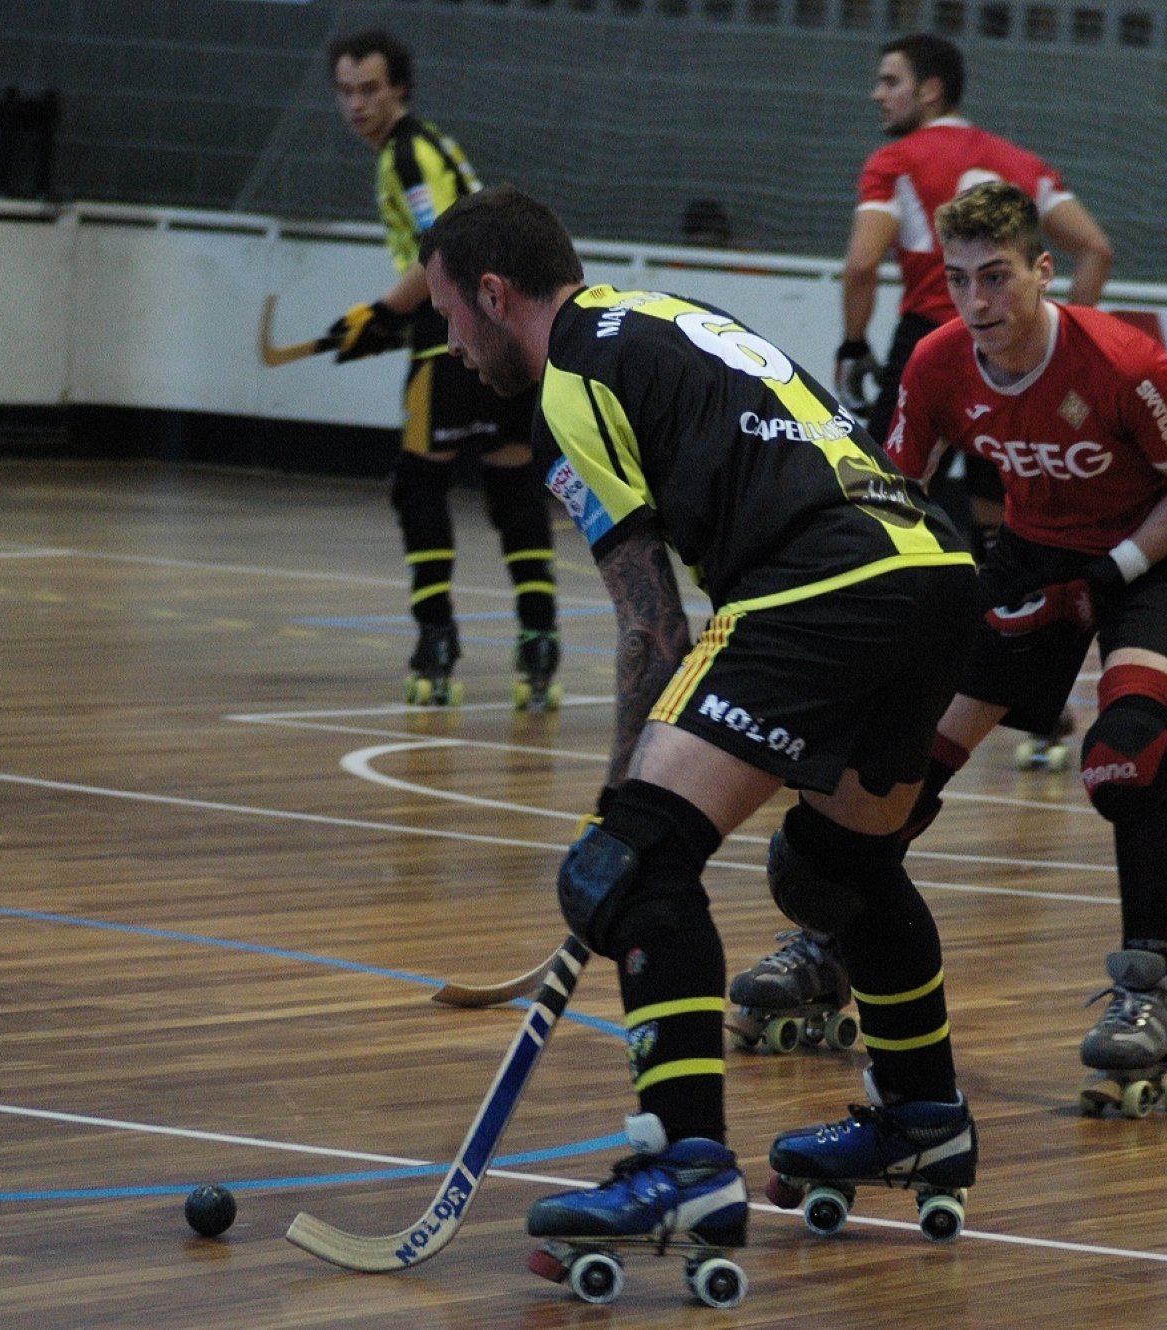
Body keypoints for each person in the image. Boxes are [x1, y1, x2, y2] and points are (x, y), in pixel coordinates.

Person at [417, 185, 986, 1287]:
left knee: (631, 863)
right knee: (835, 866)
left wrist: (619, 816)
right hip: (933, 571)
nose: (450, 343)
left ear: (494, 293)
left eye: (450, 315)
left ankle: (685, 1164)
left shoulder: (568, 389)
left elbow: (652, 622)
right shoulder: (653, 315)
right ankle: (922, 1114)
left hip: (823, 581)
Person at [891, 180, 1167, 1114]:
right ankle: (839, 935)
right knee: (902, 756)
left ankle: (1148, 986)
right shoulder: (937, 364)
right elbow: (894, 494)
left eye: (996, 277)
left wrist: (1108, 578)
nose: (976, 303)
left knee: (1126, 753)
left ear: (1045, 272)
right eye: (957, 281)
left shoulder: (1123, 363)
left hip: (1149, 558)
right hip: (1031, 556)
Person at [324, 29, 560, 709]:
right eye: (346, 92)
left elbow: (440, 250)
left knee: (418, 485)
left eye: (370, 89)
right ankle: (539, 642)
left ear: (399, 88)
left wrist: (380, 313)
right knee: (512, 487)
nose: (357, 105)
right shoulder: (422, 145)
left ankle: (436, 641)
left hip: (452, 341)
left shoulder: (405, 155)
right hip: (506, 338)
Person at [836, 32, 1114, 553]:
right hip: (1013, 347)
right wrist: (1063, 341)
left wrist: (852, 344)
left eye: (890, 81)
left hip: (933, 340)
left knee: (889, 490)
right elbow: (1097, 249)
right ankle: (997, 609)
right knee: (1000, 495)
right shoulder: (1022, 163)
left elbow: (861, 263)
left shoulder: (895, 161)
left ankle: (894, 599)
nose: (878, 94)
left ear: (930, 91)